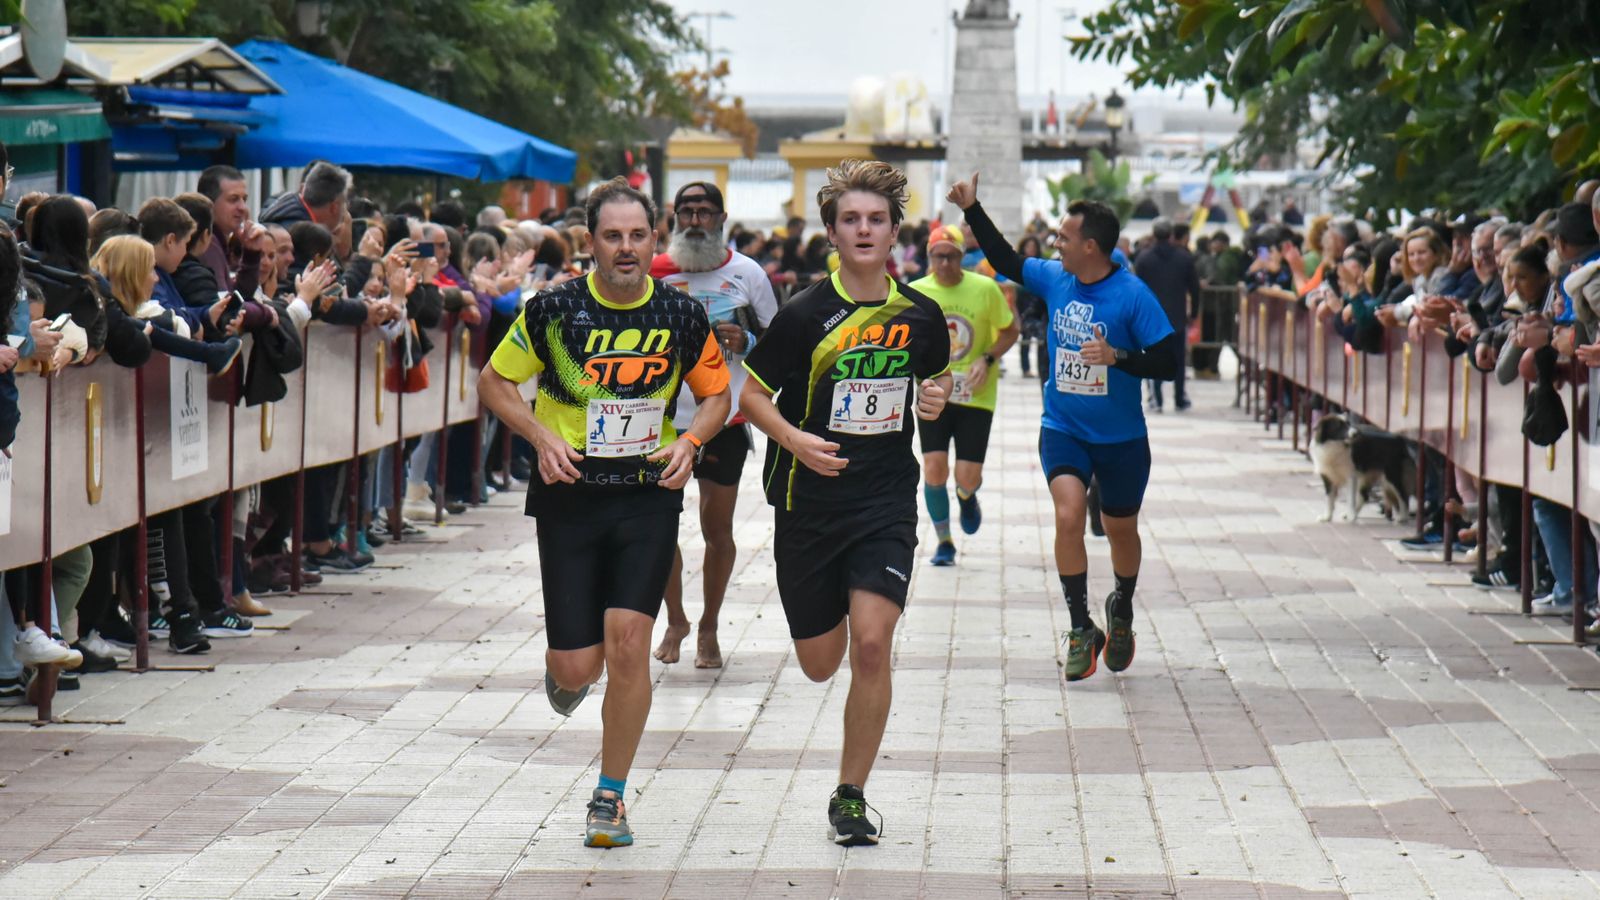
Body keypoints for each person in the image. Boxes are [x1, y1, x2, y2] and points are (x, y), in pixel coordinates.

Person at [476, 178, 730, 849]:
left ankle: (609, 798)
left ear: (655, 239)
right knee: (576, 668)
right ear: (590, 241)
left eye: (637, 236)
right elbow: (494, 382)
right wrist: (540, 436)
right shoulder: (553, 309)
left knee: (629, 643)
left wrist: (691, 441)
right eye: (612, 236)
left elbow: (717, 395)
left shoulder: (680, 314)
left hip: (647, 495)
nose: (626, 248)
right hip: (570, 497)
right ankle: (569, 674)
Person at [740, 159, 951, 846]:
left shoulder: (920, 315)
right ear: (831, 232)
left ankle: (851, 796)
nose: (864, 230)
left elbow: (937, 380)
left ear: (894, 232)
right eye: (851, 220)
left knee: (872, 644)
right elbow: (749, 394)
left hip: (884, 499)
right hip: (808, 504)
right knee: (819, 662)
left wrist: (936, 398)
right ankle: (823, 618)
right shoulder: (805, 314)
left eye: (876, 220)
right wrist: (795, 440)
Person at [947, 171, 1178, 682]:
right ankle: (1079, 627)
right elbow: (1006, 259)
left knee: (1120, 528)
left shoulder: (1132, 295)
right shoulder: (1055, 278)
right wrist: (972, 208)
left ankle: (1122, 608)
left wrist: (1118, 357)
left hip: (1122, 439)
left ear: (1090, 246)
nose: (1055, 243)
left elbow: (1168, 361)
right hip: (1063, 427)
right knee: (1069, 515)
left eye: (1063, 237)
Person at [647, 181, 779, 668]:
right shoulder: (654, 271)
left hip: (725, 419)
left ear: (722, 219)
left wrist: (746, 341)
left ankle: (709, 625)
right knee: (660, 529)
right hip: (662, 423)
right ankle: (676, 620)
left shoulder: (748, 273)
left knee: (716, 529)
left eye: (705, 212)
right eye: (687, 211)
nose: (695, 221)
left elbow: (778, 339)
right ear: (674, 218)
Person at [909, 225, 1018, 565]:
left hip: (976, 395)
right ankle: (944, 542)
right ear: (929, 257)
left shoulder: (984, 289)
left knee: (967, 476)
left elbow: (1010, 330)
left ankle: (967, 496)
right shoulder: (915, 292)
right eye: (938, 256)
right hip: (933, 395)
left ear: (962, 257)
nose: (945, 263)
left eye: (952, 256)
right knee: (933, 469)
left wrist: (987, 358)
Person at [1133, 218, 1199, 411]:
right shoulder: (1184, 257)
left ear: (1153, 234)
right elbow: (1195, 288)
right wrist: (1194, 312)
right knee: (1178, 357)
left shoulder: (1144, 258)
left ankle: (1156, 398)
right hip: (1177, 316)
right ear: (1171, 235)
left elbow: (1136, 288)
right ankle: (1179, 397)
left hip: (1151, 317)